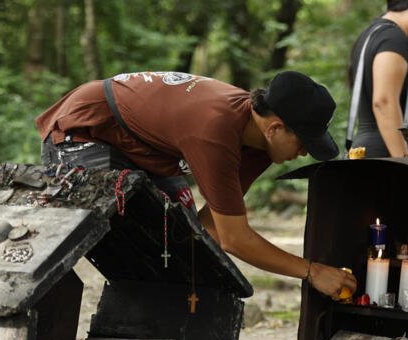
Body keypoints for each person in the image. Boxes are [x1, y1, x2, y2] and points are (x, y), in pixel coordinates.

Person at [36, 71, 357, 299]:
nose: (303, 153)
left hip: (145, 150)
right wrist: (312, 271)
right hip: (86, 129)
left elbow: (212, 229)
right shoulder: (216, 131)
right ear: (275, 127)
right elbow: (234, 239)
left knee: (180, 243)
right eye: (303, 142)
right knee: (132, 241)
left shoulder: (259, 146)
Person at [347, 0, 408, 158]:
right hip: (387, 155)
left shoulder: (374, 34)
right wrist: (403, 162)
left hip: (370, 150)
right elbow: (384, 102)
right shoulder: (392, 39)